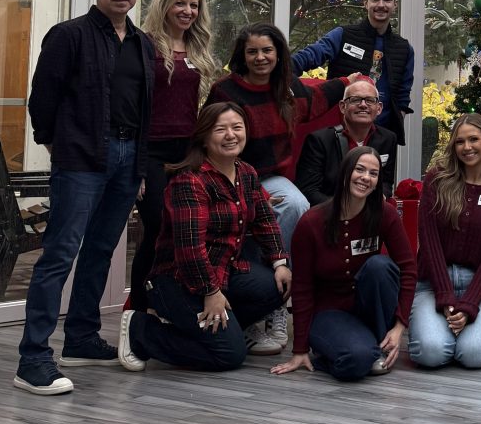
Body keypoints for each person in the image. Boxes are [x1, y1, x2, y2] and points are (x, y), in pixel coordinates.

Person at [15, 0, 154, 396]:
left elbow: (144, 109)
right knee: (59, 255)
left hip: (128, 159)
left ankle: (80, 338)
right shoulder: (69, 35)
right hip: (81, 159)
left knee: (100, 251)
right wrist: (56, 145)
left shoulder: (143, 44)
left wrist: (138, 164)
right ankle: (33, 360)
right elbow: (42, 99)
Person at [206, 22, 352, 353]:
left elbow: (321, 96)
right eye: (252, 51)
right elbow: (210, 139)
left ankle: (276, 301)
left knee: (295, 203)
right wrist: (249, 193)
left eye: (267, 50)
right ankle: (251, 303)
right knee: (251, 212)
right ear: (242, 55)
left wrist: (349, 82)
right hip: (228, 176)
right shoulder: (226, 91)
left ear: (279, 54)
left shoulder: (287, 90)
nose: (260, 58)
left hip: (270, 178)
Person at [116, 102, 290, 374]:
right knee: (230, 355)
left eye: (237, 127)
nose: (231, 135)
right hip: (179, 281)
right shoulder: (190, 180)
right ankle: (141, 330)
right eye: (220, 130)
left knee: (278, 286)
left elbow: (264, 220)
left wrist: (280, 262)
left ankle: (219, 328)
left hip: (224, 271)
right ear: (204, 138)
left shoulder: (246, 172)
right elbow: (190, 248)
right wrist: (210, 292)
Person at [271, 147, 415, 381]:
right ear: (345, 172)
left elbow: (408, 269)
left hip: (368, 309)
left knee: (381, 266)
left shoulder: (385, 214)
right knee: (357, 361)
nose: (366, 177)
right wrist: (300, 350)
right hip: (328, 313)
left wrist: (400, 327)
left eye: (373, 173)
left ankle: (378, 345)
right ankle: (342, 352)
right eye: (360, 169)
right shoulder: (311, 222)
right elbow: (302, 287)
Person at [130, 0, 220, 312]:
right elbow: (131, 104)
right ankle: (136, 311)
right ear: (165, 4)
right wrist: (137, 166)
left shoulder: (197, 48)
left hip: (187, 152)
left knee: (185, 231)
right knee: (157, 229)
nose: (187, 11)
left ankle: (171, 307)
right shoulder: (144, 44)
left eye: (193, 5)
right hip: (151, 151)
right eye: (180, 3)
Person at [407, 114, 481, 369]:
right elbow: (429, 243)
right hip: (434, 281)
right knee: (431, 353)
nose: (467, 147)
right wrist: (445, 298)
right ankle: (447, 333)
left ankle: (468, 334)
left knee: (474, 354)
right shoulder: (437, 180)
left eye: (473, 139)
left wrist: (468, 306)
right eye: (459, 141)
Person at [291, 0, 413, 142]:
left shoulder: (404, 48)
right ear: (365, 3)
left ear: (395, 4)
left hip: (381, 136)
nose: (381, 5)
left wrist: (396, 123)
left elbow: (403, 94)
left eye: (387, 0)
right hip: (340, 133)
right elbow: (310, 56)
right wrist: (280, 71)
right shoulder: (343, 35)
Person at [295, 78, 399, 206]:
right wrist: (346, 208)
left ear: (379, 108)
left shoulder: (388, 139)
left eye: (370, 100)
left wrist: (381, 196)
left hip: (370, 212)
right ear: (343, 107)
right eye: (355, 100)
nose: (363, 105)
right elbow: (308, 191)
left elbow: (386, 182)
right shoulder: (319, 141)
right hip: (330, 211)